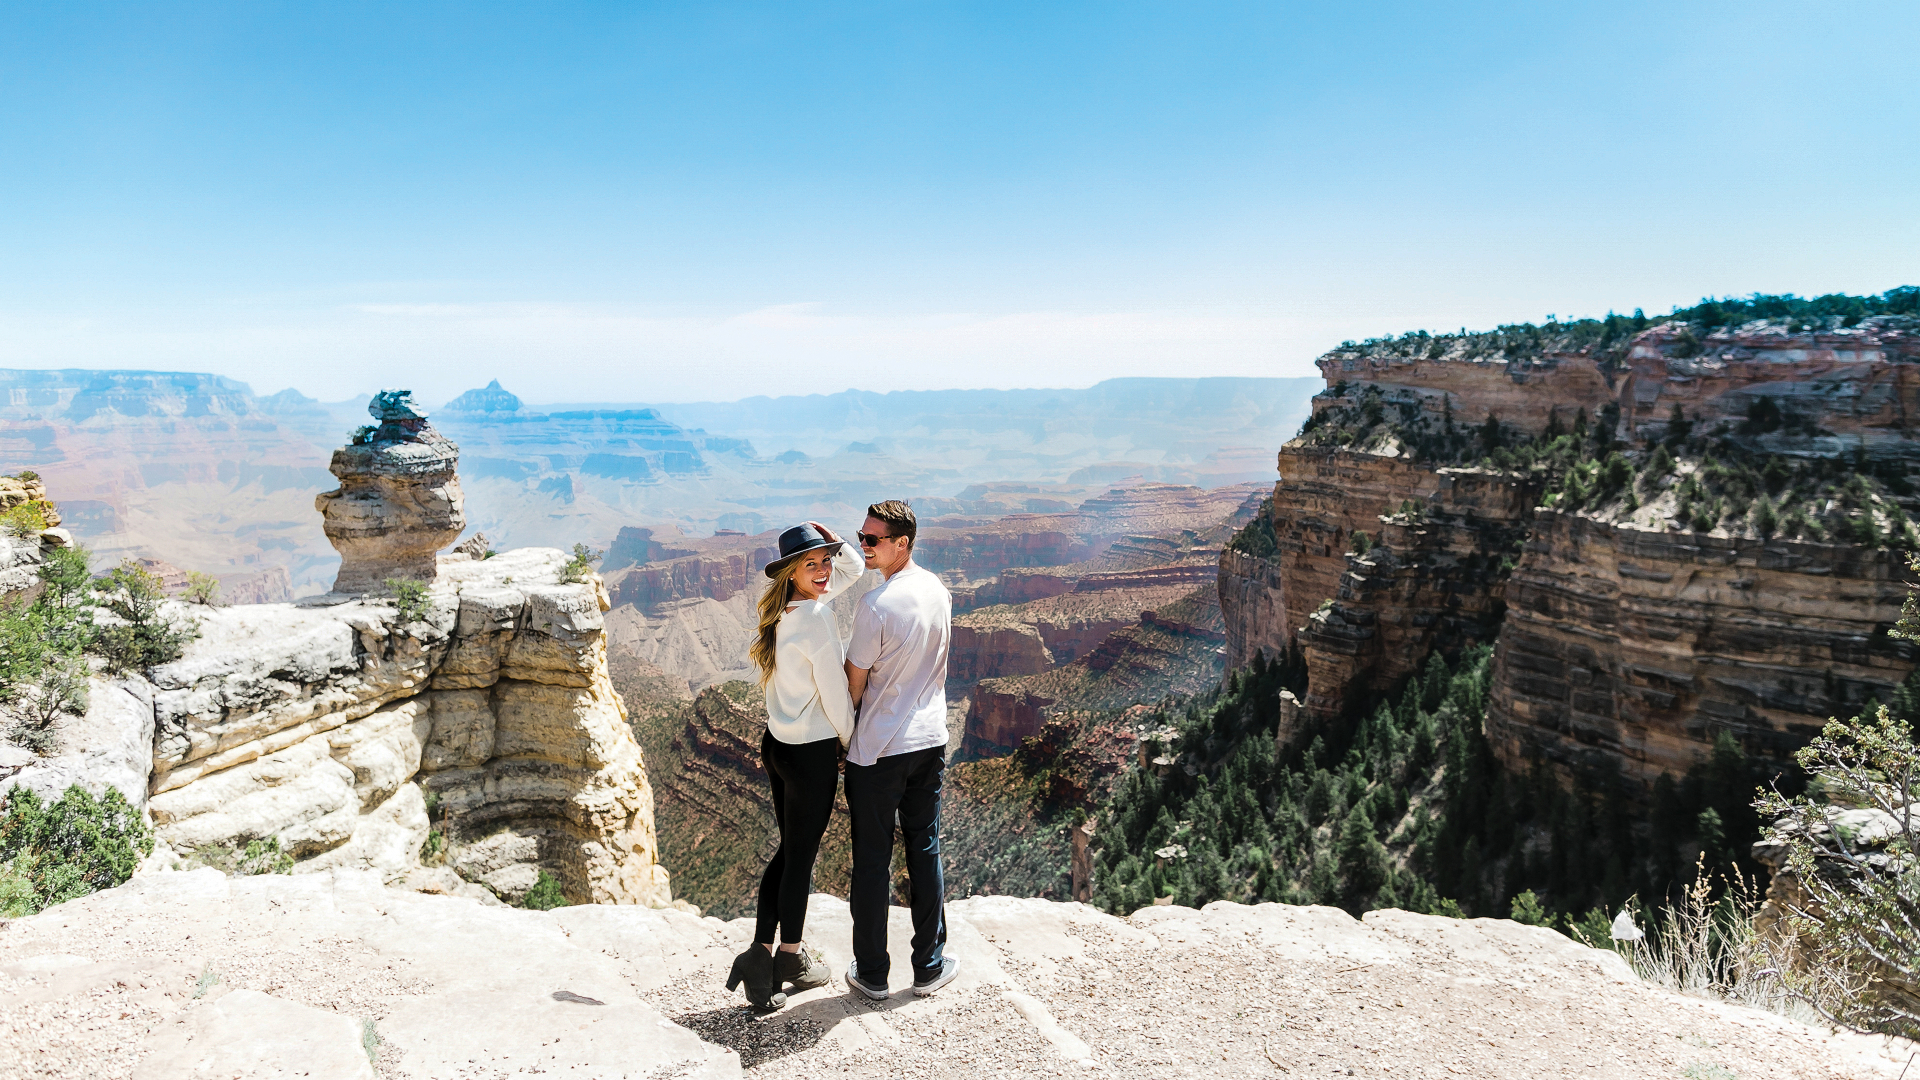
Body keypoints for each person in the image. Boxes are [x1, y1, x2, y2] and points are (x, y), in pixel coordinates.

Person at [724, 520, 864, 1011]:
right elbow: (836, 692)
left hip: (777, 745)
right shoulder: (818, 620)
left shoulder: (788, 610)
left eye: (826, 560)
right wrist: (851, 744)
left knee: (790, 853)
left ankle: (775, 955)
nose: (826, 570)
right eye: (812, 563)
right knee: (798, 861)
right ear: (791, 572)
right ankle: (777, 957)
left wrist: (832, 544)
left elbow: (852, 569)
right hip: (809, 756)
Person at [841, 499, 960, 1000]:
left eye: (873, 540)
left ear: (901, 543)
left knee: (872, 859)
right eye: (862, 537)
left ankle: (872, 974)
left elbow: (853, 685)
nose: (863, 546)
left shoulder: (875, 607)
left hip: (879, 751)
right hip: (930, 741)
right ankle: (929, 965)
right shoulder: (938, 589)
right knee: (924, 847)